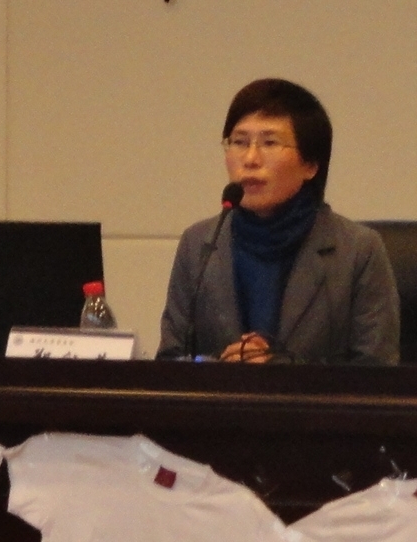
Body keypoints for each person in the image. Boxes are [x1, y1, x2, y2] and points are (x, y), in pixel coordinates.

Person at [156, 78, 399, 364]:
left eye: (269, 143)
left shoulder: (357, 251)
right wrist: (221, 369)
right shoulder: (199, 244)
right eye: (239, 142)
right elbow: (170, 360)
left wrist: (279, 371)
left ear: (310, 165)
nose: (250, 159)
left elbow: (376, 371)